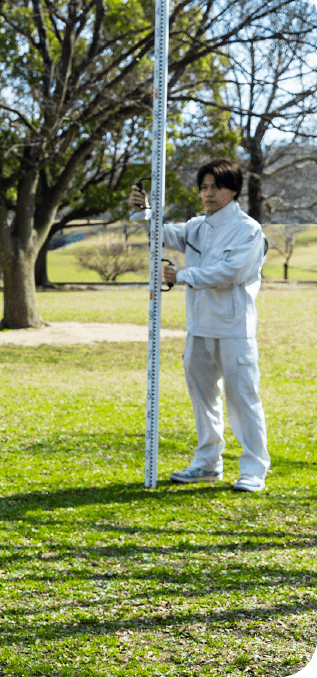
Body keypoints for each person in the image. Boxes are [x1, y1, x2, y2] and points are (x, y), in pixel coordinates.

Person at [129, 159, 269, 493]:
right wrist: (143, 211)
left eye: (215, 187)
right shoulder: (197, 227)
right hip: (199, 328)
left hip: (234, 329)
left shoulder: (248, 230)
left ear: (232, 190)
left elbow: (230, 273)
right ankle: (207, 463)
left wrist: (183, 275)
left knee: (243, 400)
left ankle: (253, 470)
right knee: (203, 399)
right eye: (203, 187)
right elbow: (161, 234)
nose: (207, 194)